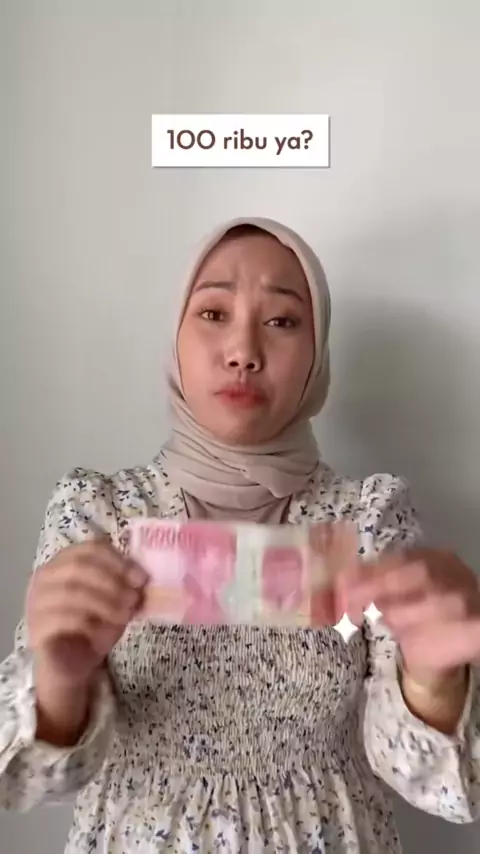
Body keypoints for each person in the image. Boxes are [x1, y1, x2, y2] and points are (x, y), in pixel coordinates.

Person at [1, 217, 480, 853]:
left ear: (318, 353)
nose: (243, 351)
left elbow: (443, 789)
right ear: (175, 338)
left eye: (282, 320)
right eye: (213, 313)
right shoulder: (101, 513)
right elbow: (26, 781)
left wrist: (436, 679)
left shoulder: (367, 517)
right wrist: (60, 678)